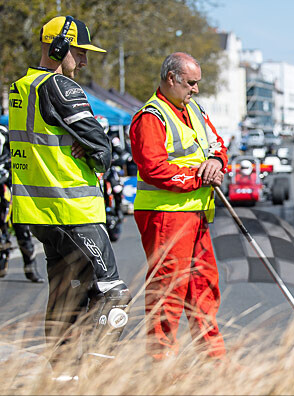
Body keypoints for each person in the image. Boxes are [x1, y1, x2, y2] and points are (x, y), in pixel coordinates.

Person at [8, 15, 131, 354]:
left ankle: (63, 378)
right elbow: (102, 148)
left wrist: (83, 144)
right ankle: (93, 372)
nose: (85, 61)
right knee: (114, 296)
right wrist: (94, 152)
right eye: (79, 51)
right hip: (72, 210)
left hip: (38, 214)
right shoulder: (61, 86)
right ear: (59, 47)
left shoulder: (20, 89)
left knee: (66, 300)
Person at [130, 52, 227, 361]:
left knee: (203, 287)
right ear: (171, 79)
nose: (195, 89)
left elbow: (218, 143)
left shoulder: (194, 110)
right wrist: (200, 178)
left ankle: (214, 360)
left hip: (195, 216)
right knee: (168, 293)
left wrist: (215, 161)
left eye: (197, 83)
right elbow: (154, 169)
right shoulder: (151, 116)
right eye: (191, 83)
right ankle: (161, 366)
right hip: (165, 217)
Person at [0, 124, 44, 282]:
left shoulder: (6, 133)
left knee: (21, 224)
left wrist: (9, 168)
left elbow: (22, 154)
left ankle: (30, 267)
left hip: (10, 183)